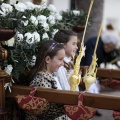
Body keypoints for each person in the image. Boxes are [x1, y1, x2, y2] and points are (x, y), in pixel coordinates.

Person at [26, 40, 70, 120]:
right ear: (48, 59)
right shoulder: (40, 81)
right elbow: (43, 113)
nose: (63, 63)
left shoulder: (51, 76)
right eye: (60, 59)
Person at [81, 31, 119, 116]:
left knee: (96, 89)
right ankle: (89, 109)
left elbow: (109, 58)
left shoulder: (104, 46)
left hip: (94, 70)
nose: (109, 49)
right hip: (84, 68)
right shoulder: (94, 44)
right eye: (108, 46)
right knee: (92, 89)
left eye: (111, 48)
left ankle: (93, 108)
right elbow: (89, 61)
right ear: (105, 42)